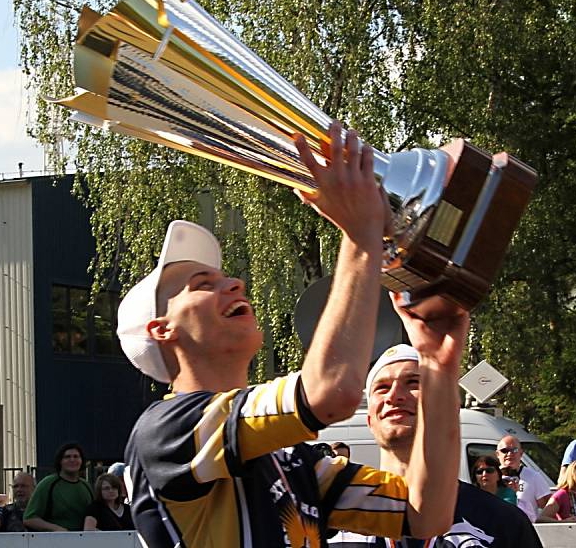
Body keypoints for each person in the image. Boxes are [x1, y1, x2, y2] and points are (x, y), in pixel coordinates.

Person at [120, 124, 462, 547]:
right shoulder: (166, 429)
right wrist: (360, 236)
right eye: (202, 284)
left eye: (226, 277)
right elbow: (331, 394)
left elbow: (425, 513)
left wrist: (437, 365)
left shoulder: (291, 458)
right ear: (162, 330)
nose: (235, 285)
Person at [329, 344, 543, 548]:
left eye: (413, 383)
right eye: (382, 388)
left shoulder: (502, 522)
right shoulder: (336, 520)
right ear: (370, 421)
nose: (394, 396)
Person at [23, 443, 93, 531]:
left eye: (76, 456)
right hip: (55, 542)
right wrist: (57, 529)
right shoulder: (47, 484)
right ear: (60, 461)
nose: (72, 460)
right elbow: (29, 518)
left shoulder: (86, 486)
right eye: (67, 457)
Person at [496, 435, 551, 523]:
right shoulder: (491, 475)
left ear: (521, 453)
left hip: (526, 529)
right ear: (497, 454)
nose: (509, 454)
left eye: (514, 450)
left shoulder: (533, 476)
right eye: (504, 451)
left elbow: (548, 507)